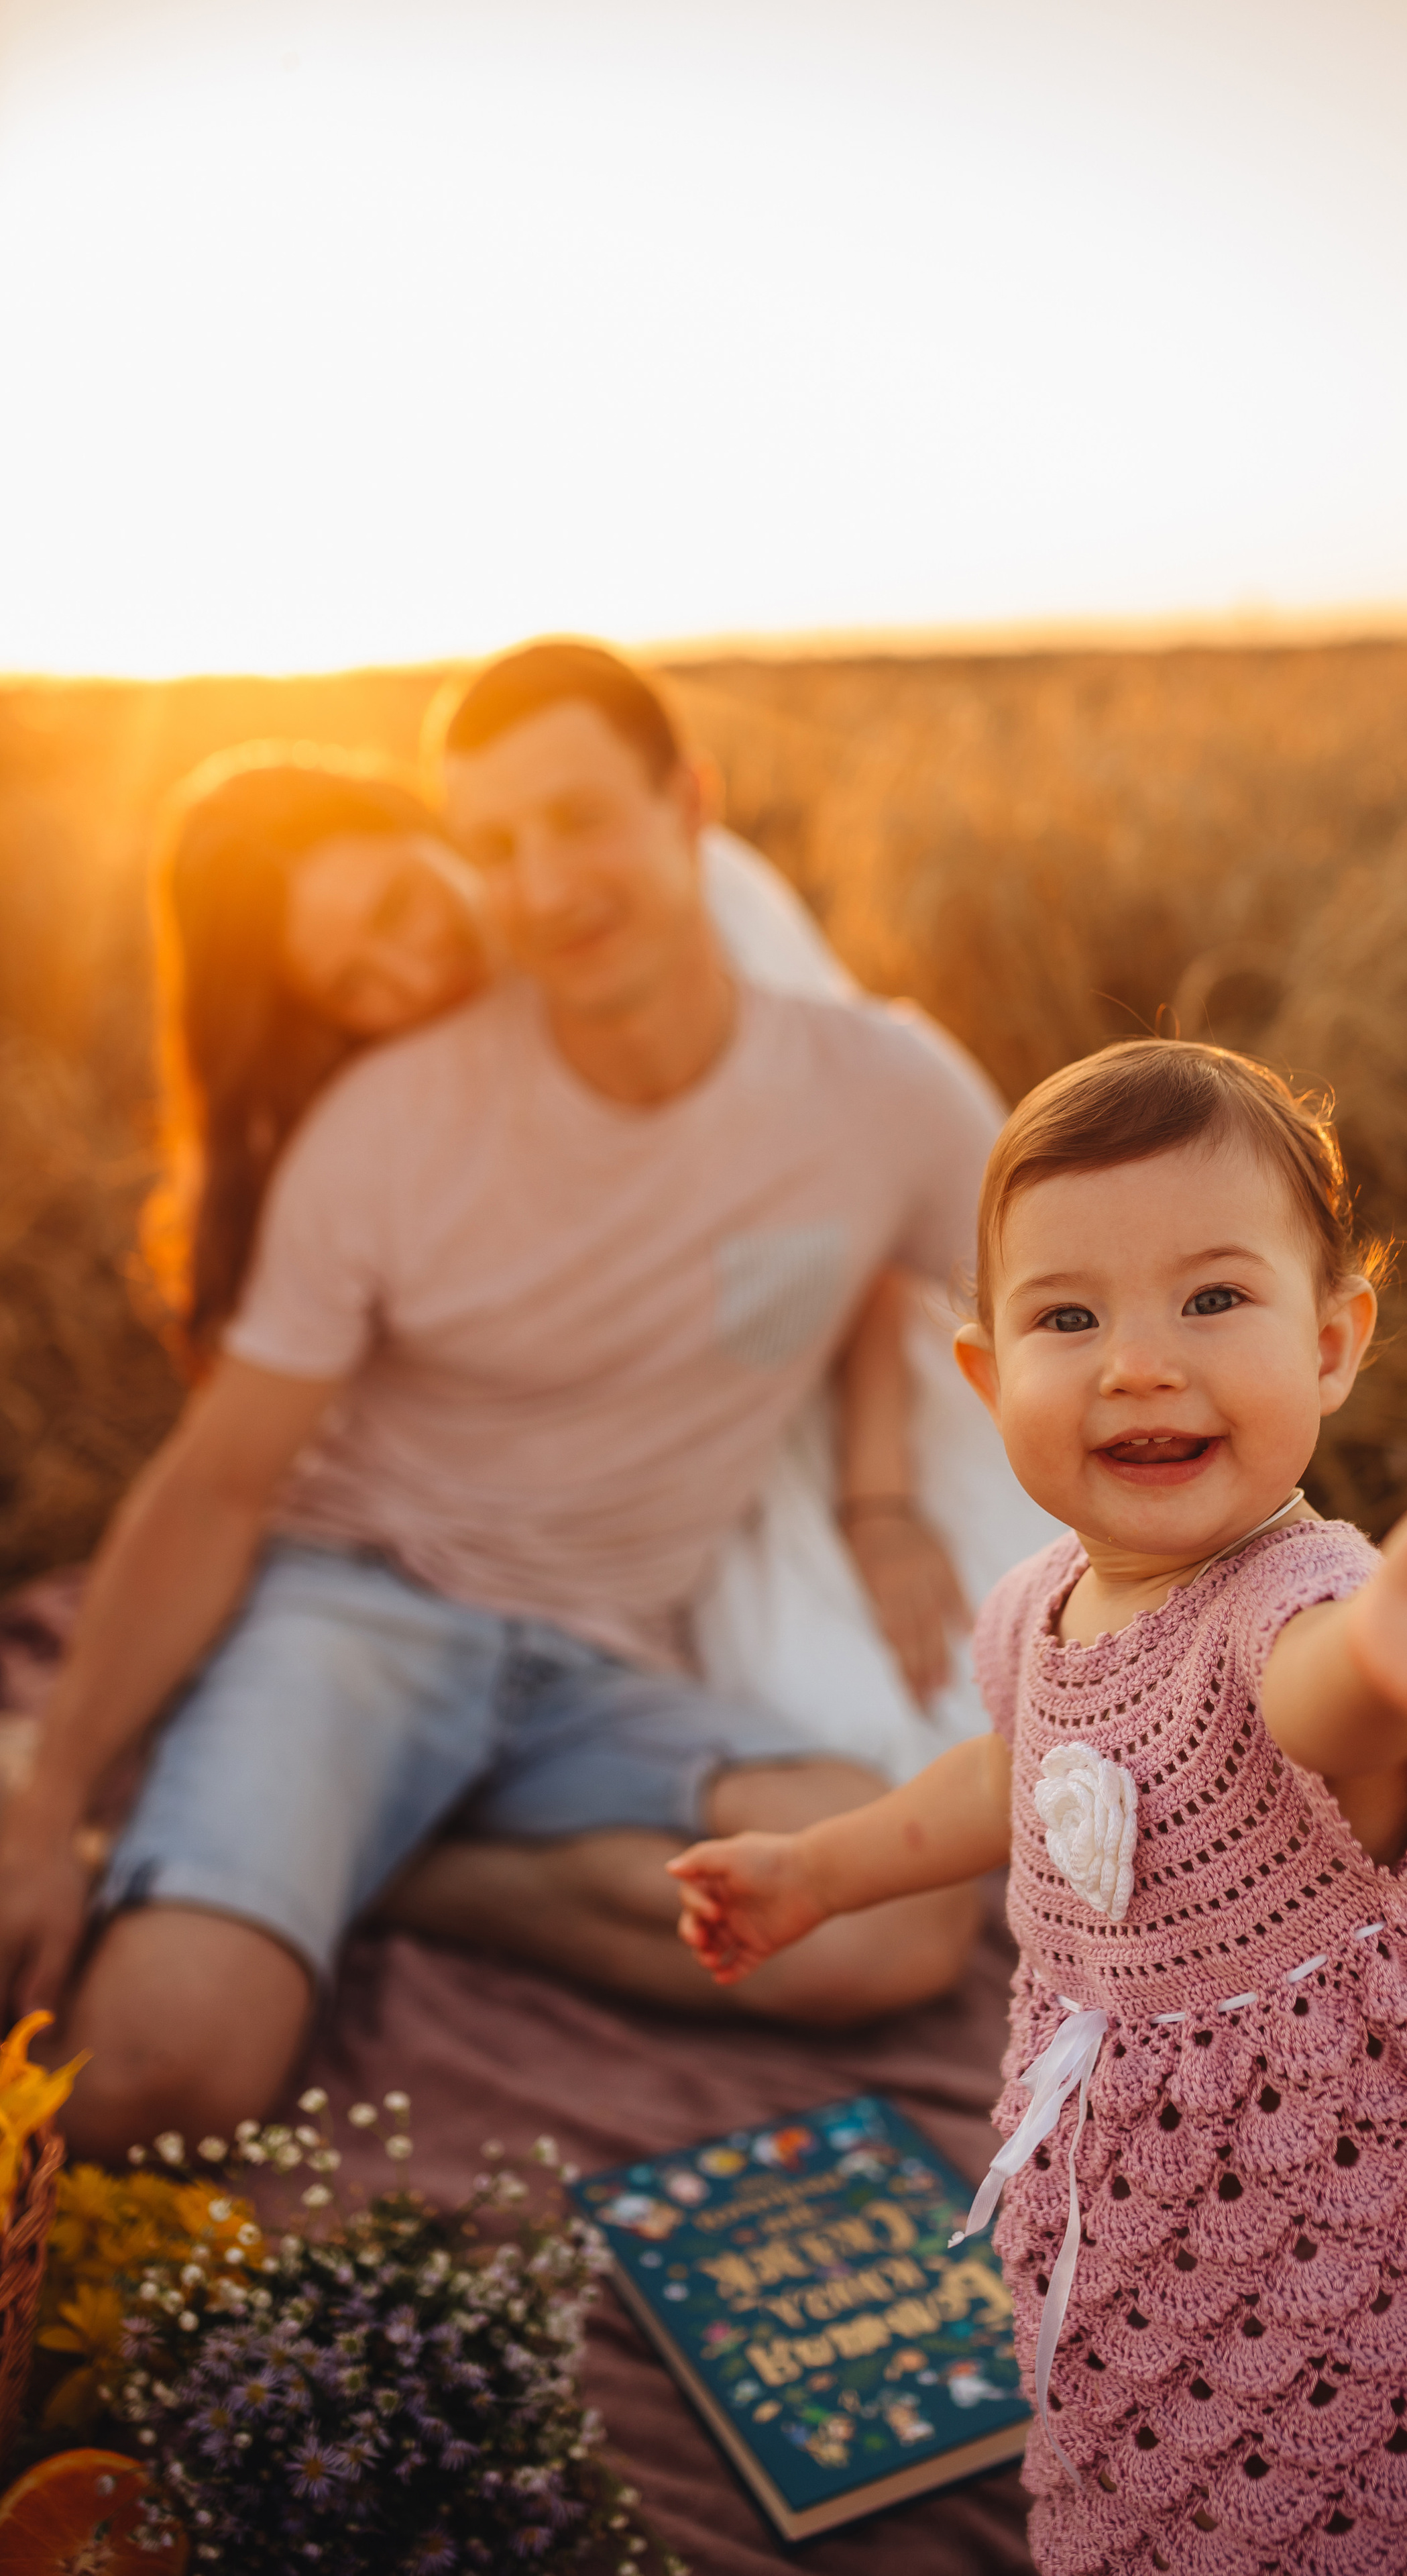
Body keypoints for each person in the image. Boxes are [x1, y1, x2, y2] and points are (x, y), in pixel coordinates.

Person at [670, 1036, 1407, 2576]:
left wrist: (1400, 1647)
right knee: (1171, 2492)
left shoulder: (1299, 1608)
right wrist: (817, 1872)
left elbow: (1312, 1701)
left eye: (1212, 1299)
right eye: (1066, 1317)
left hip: (1359, 2243)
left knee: (1393, 2511)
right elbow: (1020, 1781)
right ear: (986, 1375)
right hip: (1132, 2222)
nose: (1137, 1362)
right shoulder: (1039, 1609)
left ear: (1335, 1340)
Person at [0, 641, 1002, 2165]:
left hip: (602, 1658)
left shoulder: (882, 1093)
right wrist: (48, 1788)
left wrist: (1278, 1635)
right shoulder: (388, 1123)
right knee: (164, 2069)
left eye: (578, 824)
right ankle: (265, 1815)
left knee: (898, 1921)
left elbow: (1032, 1309)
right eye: (498, 847)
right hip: (366, 1611)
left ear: (689, 807)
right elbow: (215, 1482)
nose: (539, 885)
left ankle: (379, 1864)